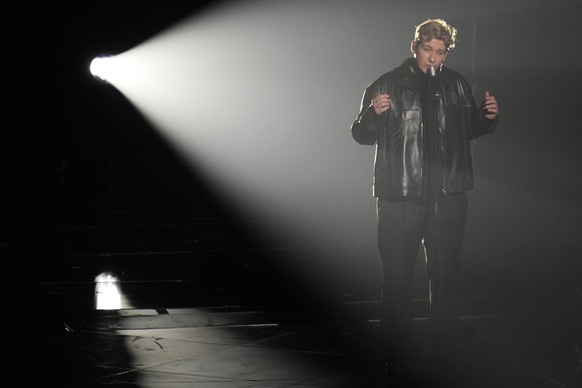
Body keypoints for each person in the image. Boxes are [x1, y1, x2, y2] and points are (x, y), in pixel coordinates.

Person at [350, 18, 499, 381]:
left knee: (445, 279)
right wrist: (373, 114)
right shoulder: (385, 84)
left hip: (447, 198)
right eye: (428, 50)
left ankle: (445, 355)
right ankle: (397, 357)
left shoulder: (456, 85)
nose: (433, 58)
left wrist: (487, 119)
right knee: (398, 281)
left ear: (447, 52)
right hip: (400, 196)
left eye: (440, 52)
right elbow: (360, 134)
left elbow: (469, 130)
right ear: (414, 47)